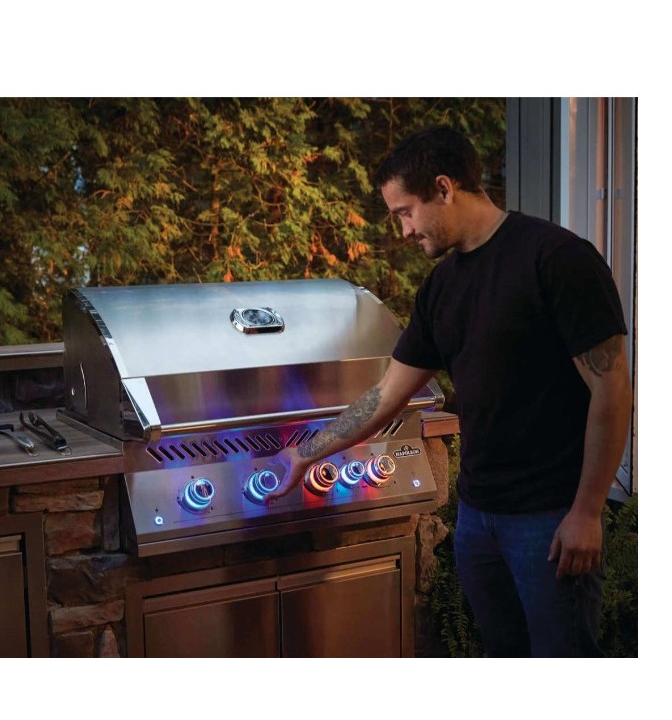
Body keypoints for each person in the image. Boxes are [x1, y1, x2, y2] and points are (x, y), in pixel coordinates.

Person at [267, 125, 632, 657]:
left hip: (551, 520)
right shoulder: (442, 286)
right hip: (478, 521)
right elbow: (386, 394)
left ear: (443, 187)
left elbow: (612, 388)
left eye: (405, 212)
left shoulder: (557, 258)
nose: (403, 231)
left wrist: (587, 511)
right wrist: (304, 453)